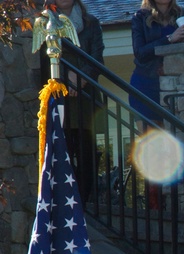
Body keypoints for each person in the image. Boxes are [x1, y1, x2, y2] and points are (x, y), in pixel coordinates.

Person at [56, 0, 104, 205]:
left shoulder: (90, 22)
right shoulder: (46, 23)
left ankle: (85, 201)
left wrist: (80, 79)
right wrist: (67, 80)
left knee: (88, 151)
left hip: (86, 96)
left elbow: (97, 58)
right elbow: (45, 57)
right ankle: (67, 202)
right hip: (60, 95)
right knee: (64, 148)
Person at [129, 0, 184, 125]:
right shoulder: (140, 16)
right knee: (151, 139)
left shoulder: (181, 14)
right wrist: (170, 38)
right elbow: (140, 53)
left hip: (177, 84)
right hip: (146, 82)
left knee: (177, 137)